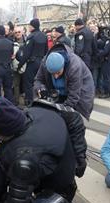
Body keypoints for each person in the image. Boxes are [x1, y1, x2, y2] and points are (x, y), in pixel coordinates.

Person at [33, 44, 93, 178]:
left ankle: (77, 157)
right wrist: (40, 88)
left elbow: (73, 98)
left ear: (64, 66)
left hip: (80, 97)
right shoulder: (45, 62)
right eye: (52, 73)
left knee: (74, 127)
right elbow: (38, 80)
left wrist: (60, 114)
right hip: (59, 95)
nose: (54, 76)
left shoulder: (74, 66)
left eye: (58, 73)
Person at [16, 18, 48, 106]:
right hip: (41, 62)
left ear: (32, 26)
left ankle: (29, 103)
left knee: (28, 83)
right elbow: (46, 51)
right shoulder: (44, 36)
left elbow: (26, 53)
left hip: (32, 63)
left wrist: (19, 65)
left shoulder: (31, 36)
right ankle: (41, 102)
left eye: (29, 26)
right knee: (39, 82)